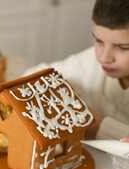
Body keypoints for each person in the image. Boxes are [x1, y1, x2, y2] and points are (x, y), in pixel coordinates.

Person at [23, 0, 129, 140]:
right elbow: (31, 77)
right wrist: (57, 92)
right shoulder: (91, 61)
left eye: (123, 47)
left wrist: (99, 127)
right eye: (99, 41)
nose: (104, 57)